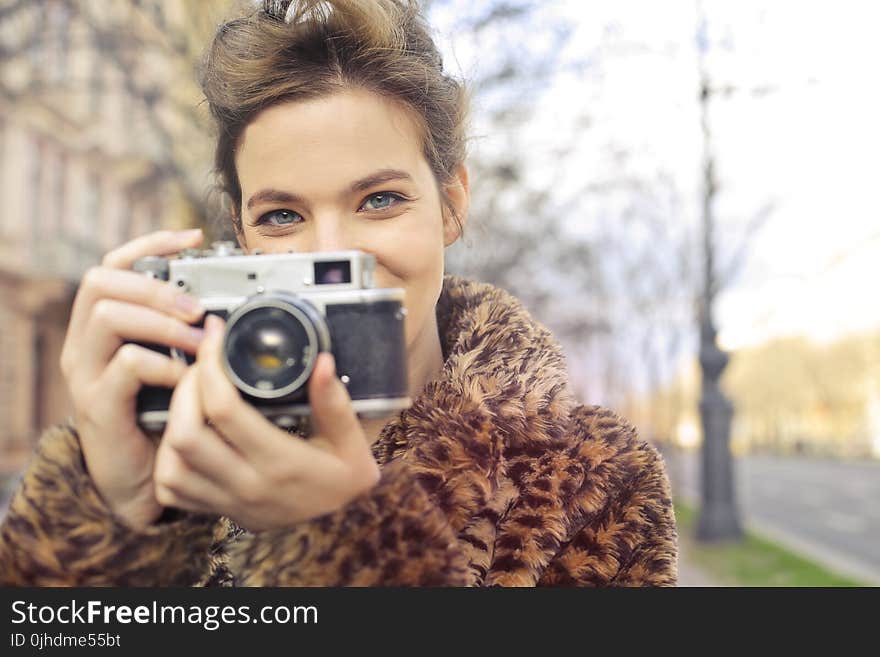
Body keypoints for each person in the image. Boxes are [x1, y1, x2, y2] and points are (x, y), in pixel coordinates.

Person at [0, 0, 677, 586]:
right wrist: (106, 518)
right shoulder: (180, 461)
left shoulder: (591, 481)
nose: (332, 252)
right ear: (240, 236)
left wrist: (346, 547)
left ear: (450, 205)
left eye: (379, 199)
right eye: (282, 215)